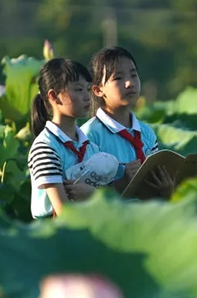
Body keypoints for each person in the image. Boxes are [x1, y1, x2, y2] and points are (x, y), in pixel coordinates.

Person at [82, 46, 174, 197]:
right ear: (98, 90)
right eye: (118, 78)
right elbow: (82, 194)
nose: (129, 83)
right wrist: (121, 182)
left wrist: (166, 190)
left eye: (133, 75)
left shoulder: (147, 133)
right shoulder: (89, 135)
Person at [28, 58, 98, 219]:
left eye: (88, 89)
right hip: (56, 235)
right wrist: (94, 196)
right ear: (54, 96)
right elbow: (63, 212)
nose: (87, 97)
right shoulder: (45, 148)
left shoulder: (90, 146)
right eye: (79, 90)